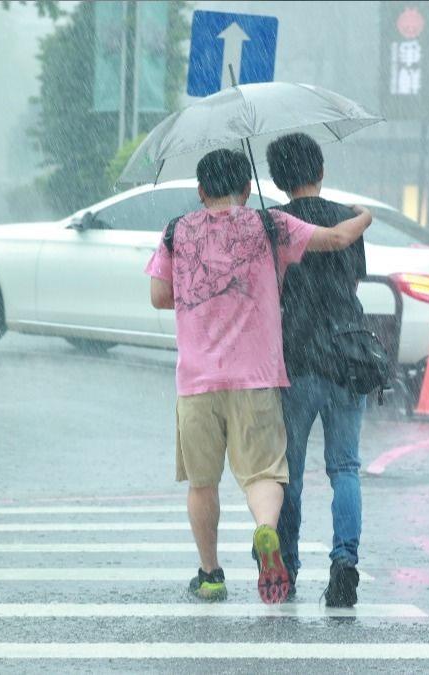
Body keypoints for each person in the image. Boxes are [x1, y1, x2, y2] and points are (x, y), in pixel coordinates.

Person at [145, 148, 372, 604]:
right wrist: (363, 217)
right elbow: (336, 239)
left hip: (197, 381)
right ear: (248, 189)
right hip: (258, 377)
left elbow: (158, 295)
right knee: (266, 473)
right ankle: (266, 530)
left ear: (201, 190)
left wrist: (201, 297)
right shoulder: (270, 225)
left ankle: (210, 574)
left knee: (202, 483)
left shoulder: (176, 231)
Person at [265, 132, 368, 607]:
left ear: (279, 179)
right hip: (349, 355)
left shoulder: (275, 226)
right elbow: (355, 276)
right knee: (345, 467)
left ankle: (285, 564)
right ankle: (344, 563)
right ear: (320, 171)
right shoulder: (346, 219)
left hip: (297, 356)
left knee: (293, 471)